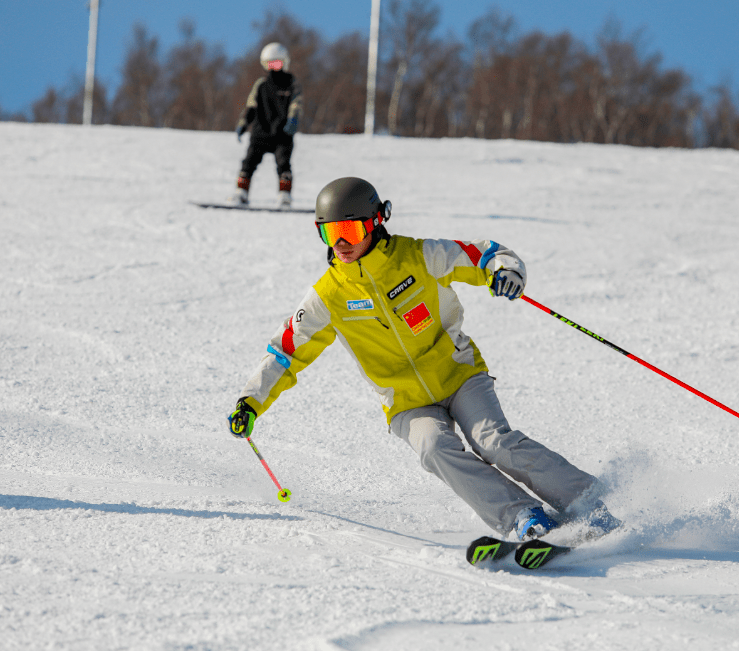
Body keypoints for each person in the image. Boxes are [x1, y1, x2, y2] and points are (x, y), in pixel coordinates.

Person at [228, 177, 621, 542]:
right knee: (434, 449)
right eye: (330, 233)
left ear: (375, 222)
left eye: (348, 230)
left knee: (493, 442)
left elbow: (481, 255)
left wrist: (503, 270)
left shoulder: (418, 257)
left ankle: (587, 500)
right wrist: (251, 401)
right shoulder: (328, 295)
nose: (340, 243)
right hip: (406, 402)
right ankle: (523, 517)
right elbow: (286, 351)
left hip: (459, 374)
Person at [234, 42, 303, 208]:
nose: (274, 67)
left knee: (283, 163)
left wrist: (292, 121)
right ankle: (241, 192)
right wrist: (244, 123)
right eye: (270, 63)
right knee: (249, 162)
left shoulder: (291, 83)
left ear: (284, 62)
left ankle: (284, 195)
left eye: (277, 63)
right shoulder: (261, 85)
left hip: (283, 134)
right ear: (265, 64)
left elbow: (296, 104)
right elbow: (252, 106)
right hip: (260, 132)